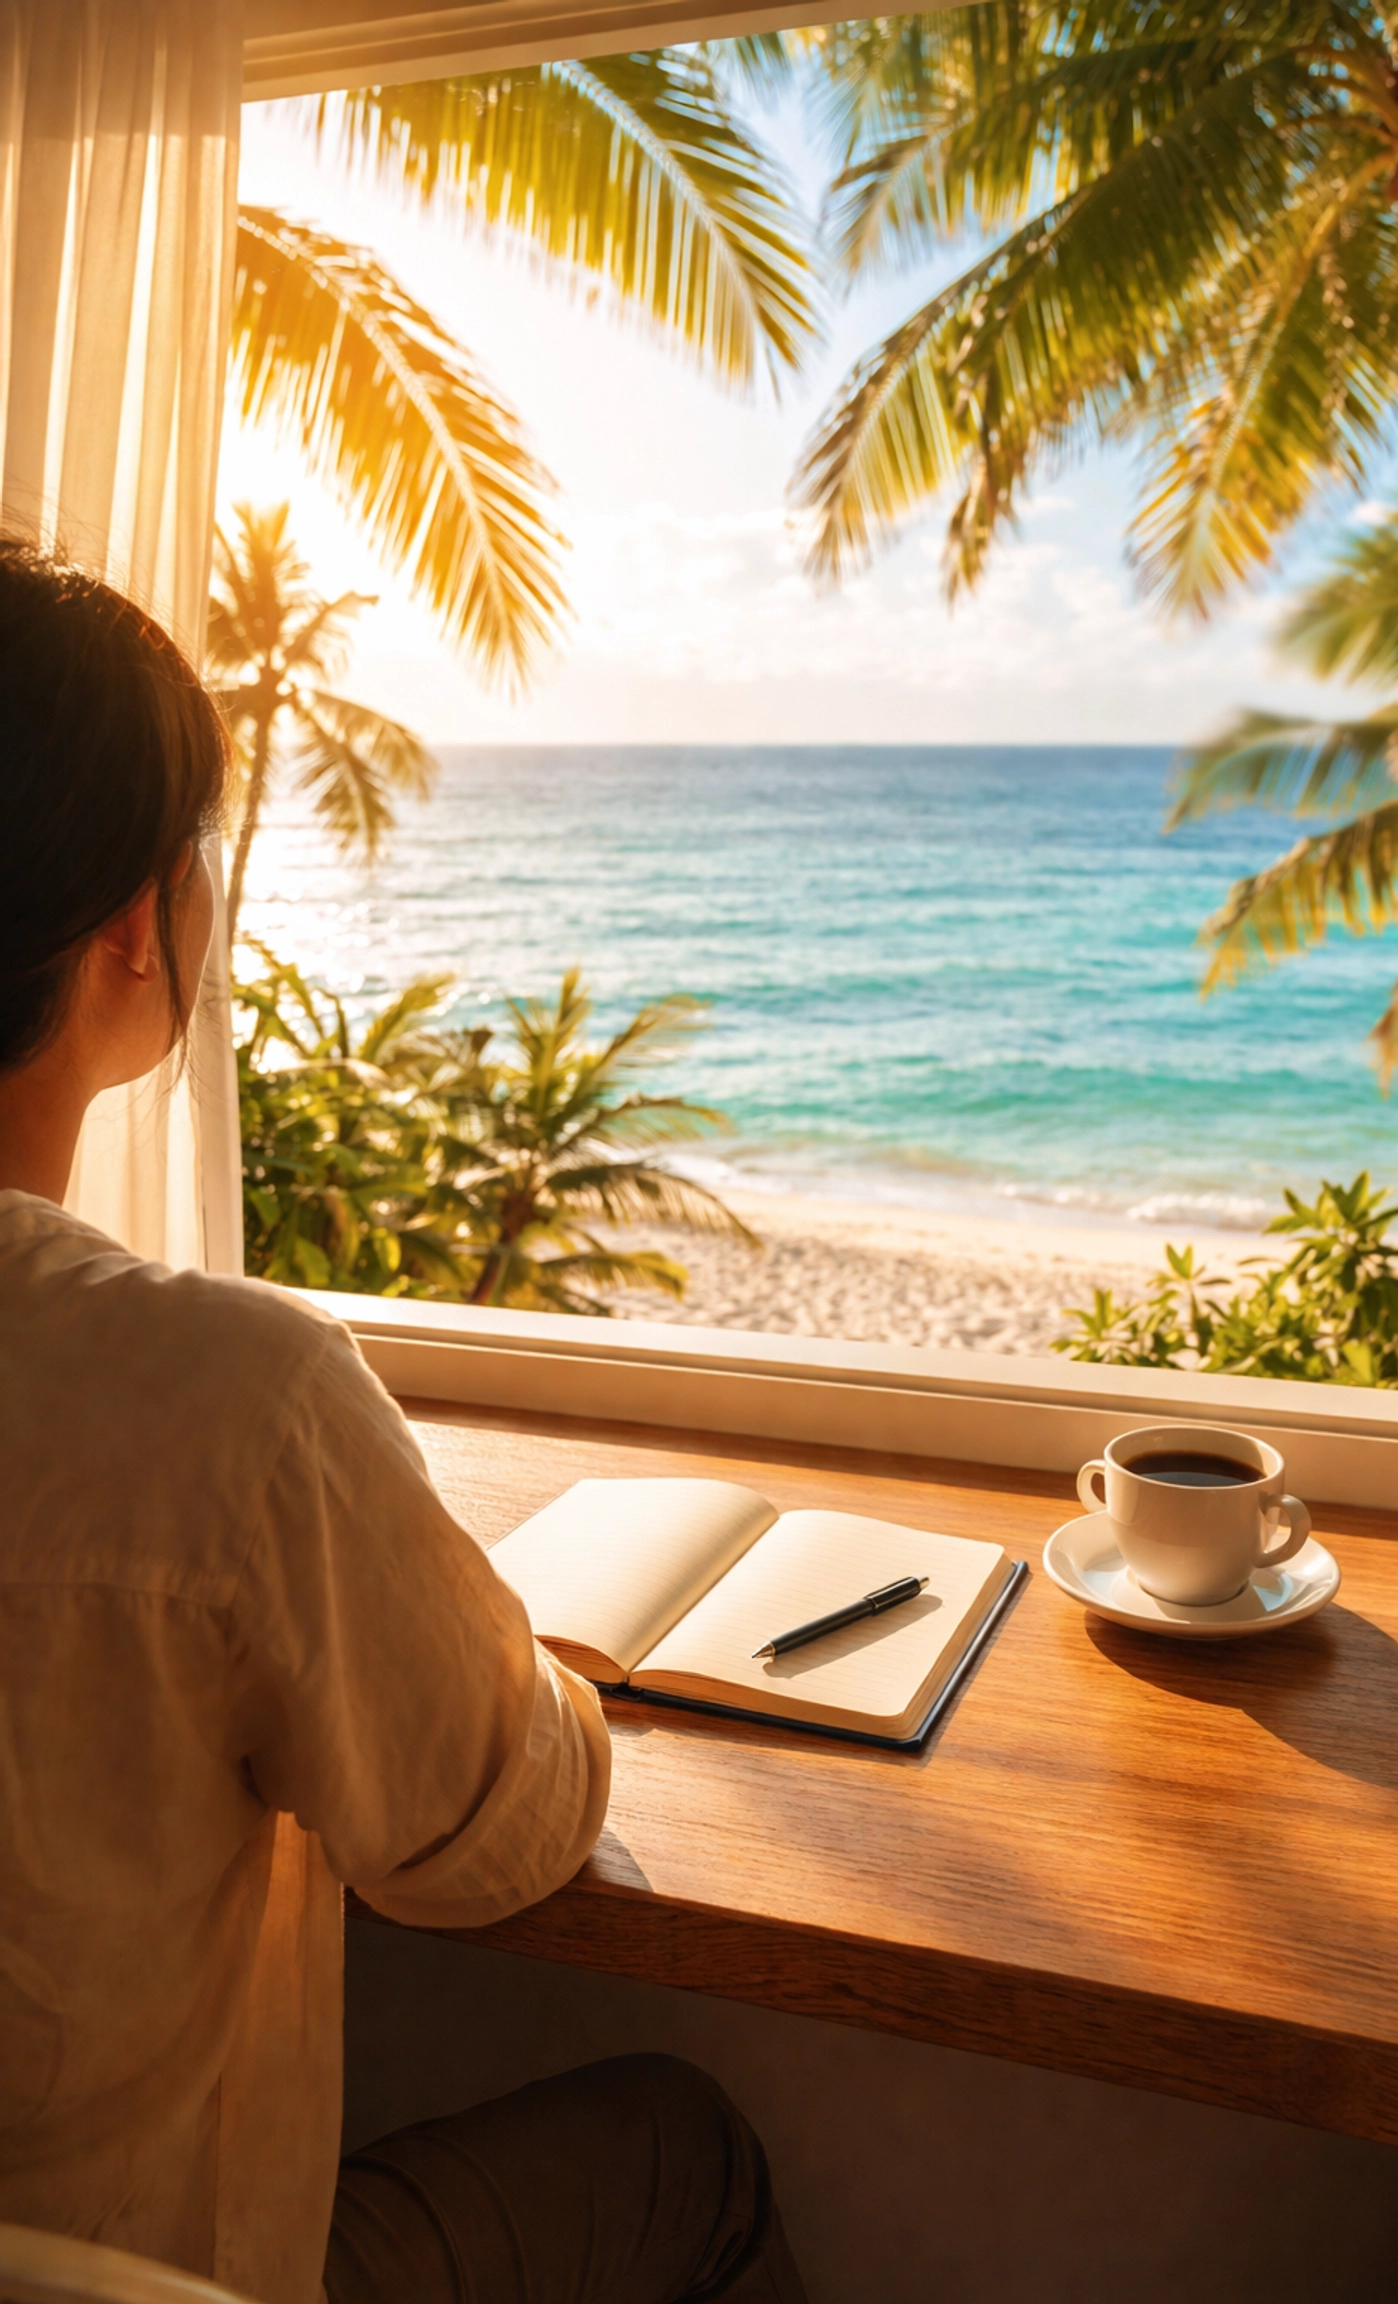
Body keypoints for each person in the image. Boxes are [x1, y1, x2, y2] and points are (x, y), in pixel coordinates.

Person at [0, 544, 808, 2304]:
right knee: (684, 2147)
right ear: (134, 925)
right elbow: (489, 1840)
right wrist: (532, 1663)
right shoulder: (222, 1405)